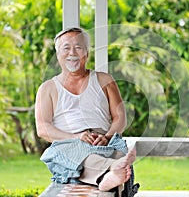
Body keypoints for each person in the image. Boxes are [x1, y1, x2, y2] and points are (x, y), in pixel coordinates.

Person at [35, 27, 136, 192]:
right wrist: (77, 137)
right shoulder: (47, 88)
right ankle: (110, 170)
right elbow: (43, 129)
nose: (72, 53)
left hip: (106, 142)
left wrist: (108, 136)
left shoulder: (104, 79)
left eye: (78, 47)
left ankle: (108, 176)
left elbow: (120, 116)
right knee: (78, 155)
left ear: (87, 53)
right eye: (66, 48)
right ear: (58, 54)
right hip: (69, 144)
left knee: (116, 173)